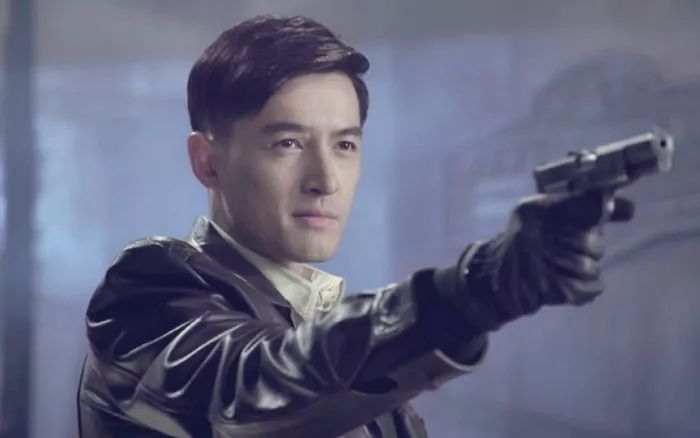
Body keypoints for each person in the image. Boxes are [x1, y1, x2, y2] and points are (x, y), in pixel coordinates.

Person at [77, 15, 633, 438]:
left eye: (344, 145)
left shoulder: (340, 342)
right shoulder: (144, 294)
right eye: (288, 143)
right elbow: (254, 389)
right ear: (207, 161)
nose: (325, 180)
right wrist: (473, 290)